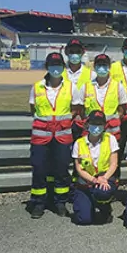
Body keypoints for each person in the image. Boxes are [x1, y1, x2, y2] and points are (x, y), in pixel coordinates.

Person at [28, 52, 84, 218]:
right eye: (52, 65)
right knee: (39, 168)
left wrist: (62, 121)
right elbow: (33, 109)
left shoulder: (71, 87)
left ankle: (60, 202)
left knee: (61, 169)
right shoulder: (37, 87)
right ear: (47, 67)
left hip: (62, 135)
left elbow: (76, 109)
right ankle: (39, 202)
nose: (55, 68)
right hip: (40, 136)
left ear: (63, 67)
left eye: (58, 65)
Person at [71, 110, 118, 225]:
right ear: (87, 124)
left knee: (103, 192)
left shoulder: (110, 139)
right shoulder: (79, 143)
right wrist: (94, 180)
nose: (96, 127)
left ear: (104, 126)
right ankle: (89, 202)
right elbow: (79, 169)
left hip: (105, 178)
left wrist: (104, 178)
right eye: (93, 124)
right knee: (84, 219)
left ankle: (104, 207)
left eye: (99, 124)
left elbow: (114, 164)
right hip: (86, 181)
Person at [83, 54, 127, 141]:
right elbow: (80, 109)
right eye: (99, 65)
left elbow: (122, 109)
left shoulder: (118, 86)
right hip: (92, 129)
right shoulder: (86, 86)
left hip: (111, 130)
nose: (101, 68)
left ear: (109, 67)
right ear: (94, 67)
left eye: (104, 65)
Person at [63, 38, 91, 139]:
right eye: (71, 51)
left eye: (78, 51)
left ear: (83, 52)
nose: (74, 54)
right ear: (66, 52)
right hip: (64, 119)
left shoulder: (91, 74)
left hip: (84, 120)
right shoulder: (59, 73)